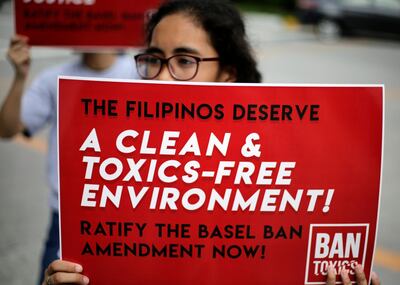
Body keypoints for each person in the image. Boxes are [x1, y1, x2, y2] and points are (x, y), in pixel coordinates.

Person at [39, 0, 380, 284]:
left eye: (185, 61)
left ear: (229, 72)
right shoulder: (115, 153)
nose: (160, 75)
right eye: (153, 59)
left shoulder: (272, 164)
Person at [0, 35, 139, 284]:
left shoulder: (141, 72)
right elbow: (7, 129)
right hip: (67, 218)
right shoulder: (53, 78)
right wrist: (20, 76)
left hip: (131, 213)